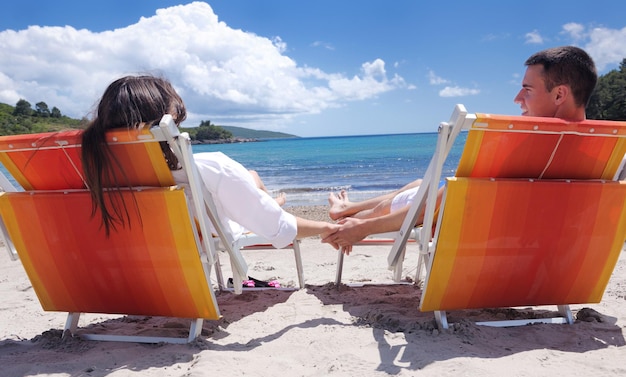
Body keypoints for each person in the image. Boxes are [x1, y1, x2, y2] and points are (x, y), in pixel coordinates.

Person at [323, 45, 598, 253]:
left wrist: (364, 228)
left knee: (418, 193)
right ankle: (345, 209)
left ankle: (347, 219)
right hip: (538, 249)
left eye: (526, 89)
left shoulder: (521, 148)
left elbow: (440, 202)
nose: (516, 98)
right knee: (421, 184)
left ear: (560, 94)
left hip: (476, 234)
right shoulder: (603, 152)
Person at [81, 75, 341, 250]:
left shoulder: (91, 170)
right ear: (169, 124)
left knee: (248, 178)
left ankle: (270, 199)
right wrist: (331, 228)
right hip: (206, 231)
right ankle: (272, 201)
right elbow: (277, 228)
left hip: (145, 247)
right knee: (246, 181)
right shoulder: (212, 167)